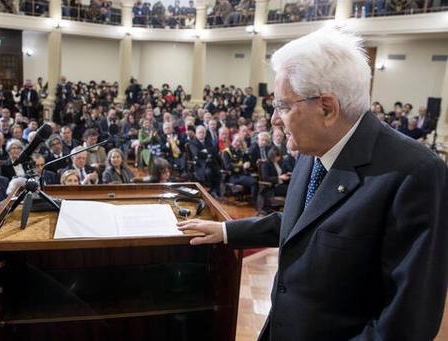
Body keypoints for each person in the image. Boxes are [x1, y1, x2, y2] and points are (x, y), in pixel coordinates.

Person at [178, 28, 448, 340]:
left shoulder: (416, 174)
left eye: (283, 105)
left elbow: (405, 326)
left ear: (327, 108)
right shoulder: (312, 147)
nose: (275, 119)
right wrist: (226, 231)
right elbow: (304, 224)